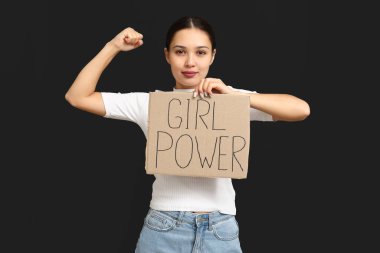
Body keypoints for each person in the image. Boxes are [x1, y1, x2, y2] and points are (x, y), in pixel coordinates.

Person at [65, 16, 310, 253]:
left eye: (201, 52)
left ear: (213, 56)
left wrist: (237, 97)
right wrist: (113, 46)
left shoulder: (231, 100)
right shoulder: (151, 104)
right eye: (180, 51)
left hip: (220, 230)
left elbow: (301, 109)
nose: (190, 62)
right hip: (164, 228)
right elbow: (77, 97)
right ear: (167, 56)